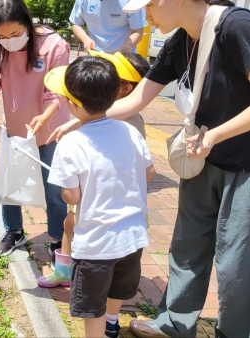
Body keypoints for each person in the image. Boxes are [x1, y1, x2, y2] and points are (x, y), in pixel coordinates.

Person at [55, 0, 250, 336]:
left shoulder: (237, 26)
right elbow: (136, 101)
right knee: (186, 246)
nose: (143, 15)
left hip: (248, 164)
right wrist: (83, 121)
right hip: (201, 158)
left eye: (148, 5)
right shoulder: (181, 41)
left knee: (237, 263)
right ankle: (174, 323)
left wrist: (217, 135)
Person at [44, 56, 155, 338]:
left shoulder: (71, 142)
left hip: (96, 243)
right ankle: (113, 324)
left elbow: (71, 194)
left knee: (91, 306)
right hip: (132, 236)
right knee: (117, 289)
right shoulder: (130, 131)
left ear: (73, 103)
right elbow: (149, 173)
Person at [0, 0, 70, 262]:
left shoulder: (53, 44)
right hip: (16, 127)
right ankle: (14, 231)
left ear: (28, 24)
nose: (9, 41)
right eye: (2, 36)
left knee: (54, 186)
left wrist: (45, 115)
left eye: (16, 34)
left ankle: (56, 239)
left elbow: (58, 90)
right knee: (10, 181)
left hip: (49, 126)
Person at [69, 0, 147, 53]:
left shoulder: (131, 1)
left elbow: (138, 30)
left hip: (124, 56)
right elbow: (76, 23)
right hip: (95, 54)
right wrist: (85, 39)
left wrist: (124, 49)